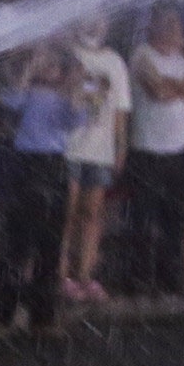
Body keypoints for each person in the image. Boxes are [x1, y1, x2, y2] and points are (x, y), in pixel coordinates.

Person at [0, 43, 94, 333]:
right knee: (16, 242)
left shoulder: (64, 97)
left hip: (52, 164)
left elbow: (77, 118)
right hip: (25, 164)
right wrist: (29, 67)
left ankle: (42, 315)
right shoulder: (26, 91)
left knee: (50, 244)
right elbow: (10, 103)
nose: (48, 69)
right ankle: (0, 314)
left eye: (53, 64)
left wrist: (75, 86)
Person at [120, 2, 184, 297]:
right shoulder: (142, 55)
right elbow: (157, 92)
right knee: (143, 218)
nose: (174, 29)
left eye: (176, 23)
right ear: (154, 25)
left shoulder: (180, 61)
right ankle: (138, 278)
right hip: (147, 150)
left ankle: (169, 277)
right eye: (167, 23)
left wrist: (173, 85)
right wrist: (178, 87)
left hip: (177, 151)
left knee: (174, 218)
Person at [60, 17, 130, 301]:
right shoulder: (67, 53)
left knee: (92, 214)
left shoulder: (115, 61)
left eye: (100, 20)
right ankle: (61, 274)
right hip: (68, 147)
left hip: (100, 150)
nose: (94, 25)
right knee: (67, 212)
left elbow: (120, 109)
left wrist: (120, 147)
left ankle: (85, 275)